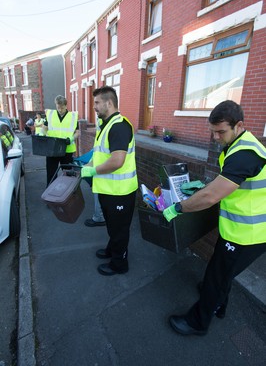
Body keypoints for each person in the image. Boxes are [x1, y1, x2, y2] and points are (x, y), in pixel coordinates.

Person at [163, 100, 266, 336]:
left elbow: (211, 196)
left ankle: (197, 322)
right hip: (238, 229)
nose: (216, 137)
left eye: (221, 132)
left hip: (249, 234)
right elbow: (228, 186)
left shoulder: (245, 154)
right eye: (212, 131)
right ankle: (219, 305)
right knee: (222, 272)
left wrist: (179, 208)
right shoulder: (239, 144)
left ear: (239, 125)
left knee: (216, 276)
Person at [81, 86, 138, 276]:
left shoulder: (119, 126)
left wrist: (92, 170)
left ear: (109, 103)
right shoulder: (106, 125)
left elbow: (117, 161)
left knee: (119, 230)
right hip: (109, 189)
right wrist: (87, 164)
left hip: (120, 192)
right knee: (113, 227)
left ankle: (119, 264)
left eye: (97, 103)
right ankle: (112, 250)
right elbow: (101, 155)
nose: (94, 107)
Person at [43, 95, 79, 186]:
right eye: (58, 107)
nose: (60, 110)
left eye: (62, 108)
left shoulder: (73, 116)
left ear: (66, 106)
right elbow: (44, 128)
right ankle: (50, 191)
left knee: (67, 174)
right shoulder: (50, 114)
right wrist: (43, 134)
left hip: (66, 149)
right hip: (52, 149)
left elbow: (78, 133)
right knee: (51, 173)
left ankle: (67, 193)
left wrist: (71, 139)